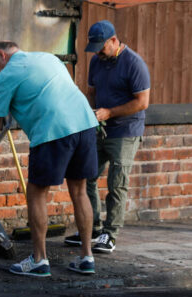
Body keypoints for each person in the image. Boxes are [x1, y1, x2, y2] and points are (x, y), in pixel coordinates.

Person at [0, 41, 99, 277]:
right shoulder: (48, 57)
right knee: (80, 190)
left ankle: (40, 260)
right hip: (85, 124)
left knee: (37, 192)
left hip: (52, 129)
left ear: (2, 55)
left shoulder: (6, 76)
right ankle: (87, 257)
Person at [64, 20, 150, 253]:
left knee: (117, 182)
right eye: (95, 49)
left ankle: (110, 234)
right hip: (99, 127)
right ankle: (91, 229)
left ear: (114, 41)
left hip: (125, 130)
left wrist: (110, 112)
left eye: (101, 47)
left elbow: (142, 102)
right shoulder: (96, 61)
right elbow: (92, 92)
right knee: (87, 174)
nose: (98, 53)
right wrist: (90, 115)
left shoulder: (134, 64)